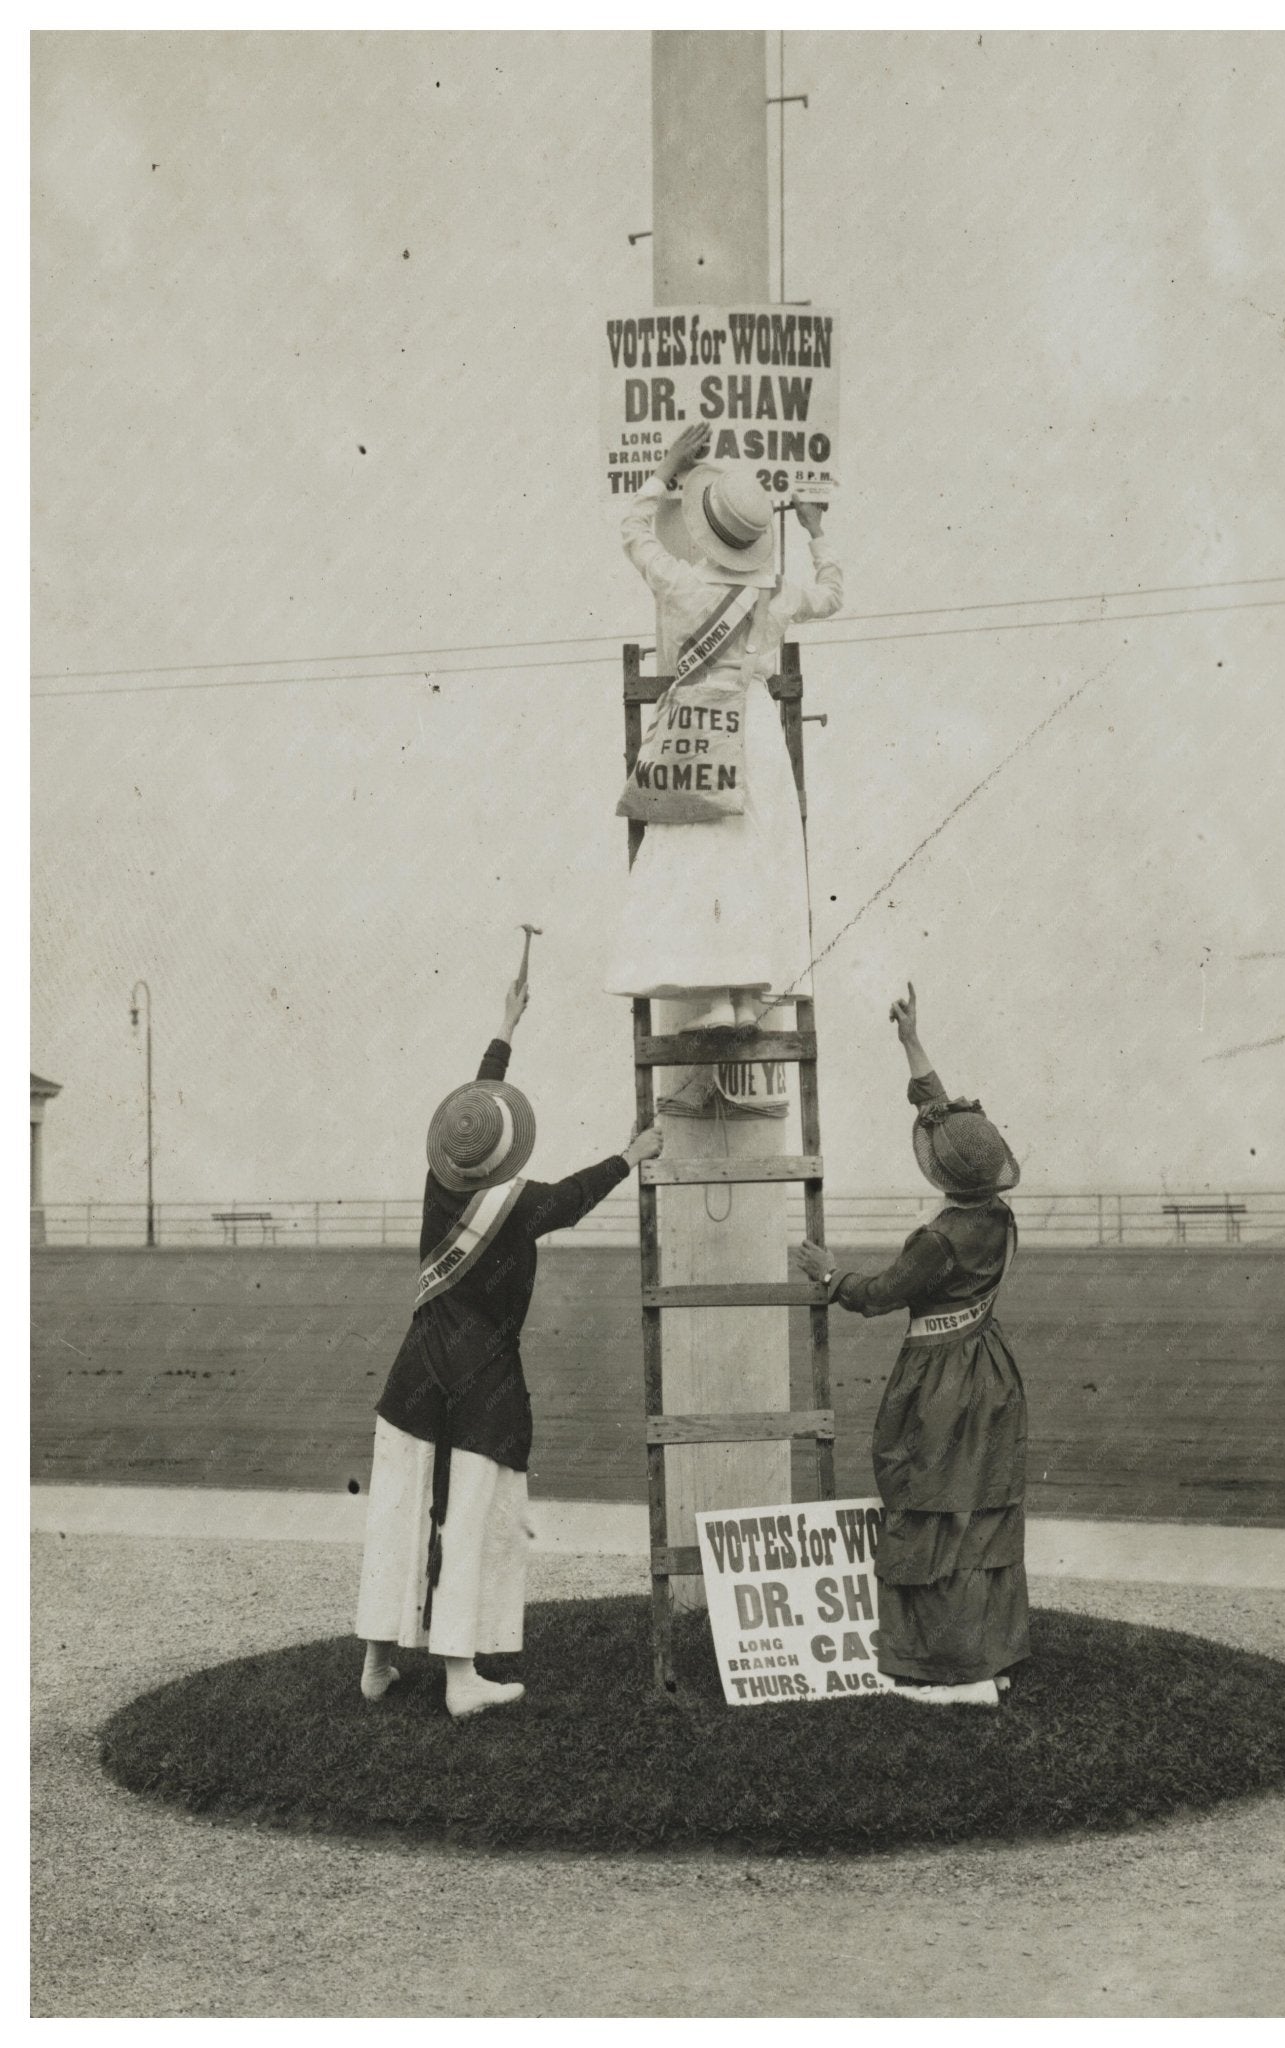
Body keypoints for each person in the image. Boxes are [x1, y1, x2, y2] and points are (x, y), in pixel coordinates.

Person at [354, 968, 664, 1718]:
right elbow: (569, 1200)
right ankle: (463, 1680)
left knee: (398, 1505)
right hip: (482, 1371)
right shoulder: (519, 1203)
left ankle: (376, 1661)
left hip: (416, 1363)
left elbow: (470, 1114)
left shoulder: (441, 1184)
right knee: (474, 1516)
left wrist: (505, 1029)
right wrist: (632, 1154)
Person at [792, 982, 1027, 1708]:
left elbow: (876, 1295)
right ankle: (987, 1655)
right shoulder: (995, 1216)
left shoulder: (938, 1239)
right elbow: (949, 1121)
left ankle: (954, 1675)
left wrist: (827, 1273)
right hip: (987, 1371)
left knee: (930, 1509)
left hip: (937, 1382)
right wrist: (911, 1042)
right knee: (980, 1509)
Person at [606, 420, 844, 1030]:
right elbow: (832, 594)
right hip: (755, 730)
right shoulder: (777, 593)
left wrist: (665, 469)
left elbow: (632, 531)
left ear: (706, 533)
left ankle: (713, 1000)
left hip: (696, 725)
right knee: (755, 858)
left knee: (697, 859)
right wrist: (815, 528)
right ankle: (749, 995)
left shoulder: (682, 582)